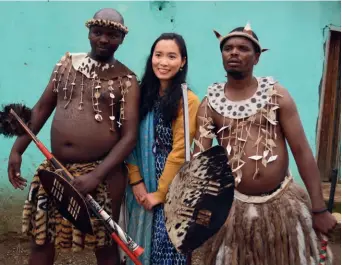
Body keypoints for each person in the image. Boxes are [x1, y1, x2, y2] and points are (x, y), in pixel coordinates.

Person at [191, 23, 337, 265]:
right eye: (228, 48)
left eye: (243, 48)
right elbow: (200, 160)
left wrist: (319, 208)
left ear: (257, 57)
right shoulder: (210, 103)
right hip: (232, 207)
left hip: (282, 205)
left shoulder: (276, 94)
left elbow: (301, 151)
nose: (234, 53)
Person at [7, 8, 140, 265]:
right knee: (42, 239)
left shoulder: (127, 80)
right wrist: (17, 149)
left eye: (111, 34)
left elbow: (129, 137)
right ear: (89, 33)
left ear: (121, 39)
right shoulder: (66, 65)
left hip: (102, 174)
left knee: (105, 243)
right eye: (97, 32)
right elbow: (41, 109)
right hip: (56, 168)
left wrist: (97, 175)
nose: (103, 39)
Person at [124, 33, 200, 265]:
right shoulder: (140, 95)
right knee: (136, 247)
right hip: (141, 185)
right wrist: (136, 181)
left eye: (171, 56)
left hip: (172, 189)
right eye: (158, 55)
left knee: (167, 251)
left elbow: (180, 151)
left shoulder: (187, 101)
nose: (163, 62)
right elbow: (129, 139)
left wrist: (160, 193)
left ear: (183, 62)